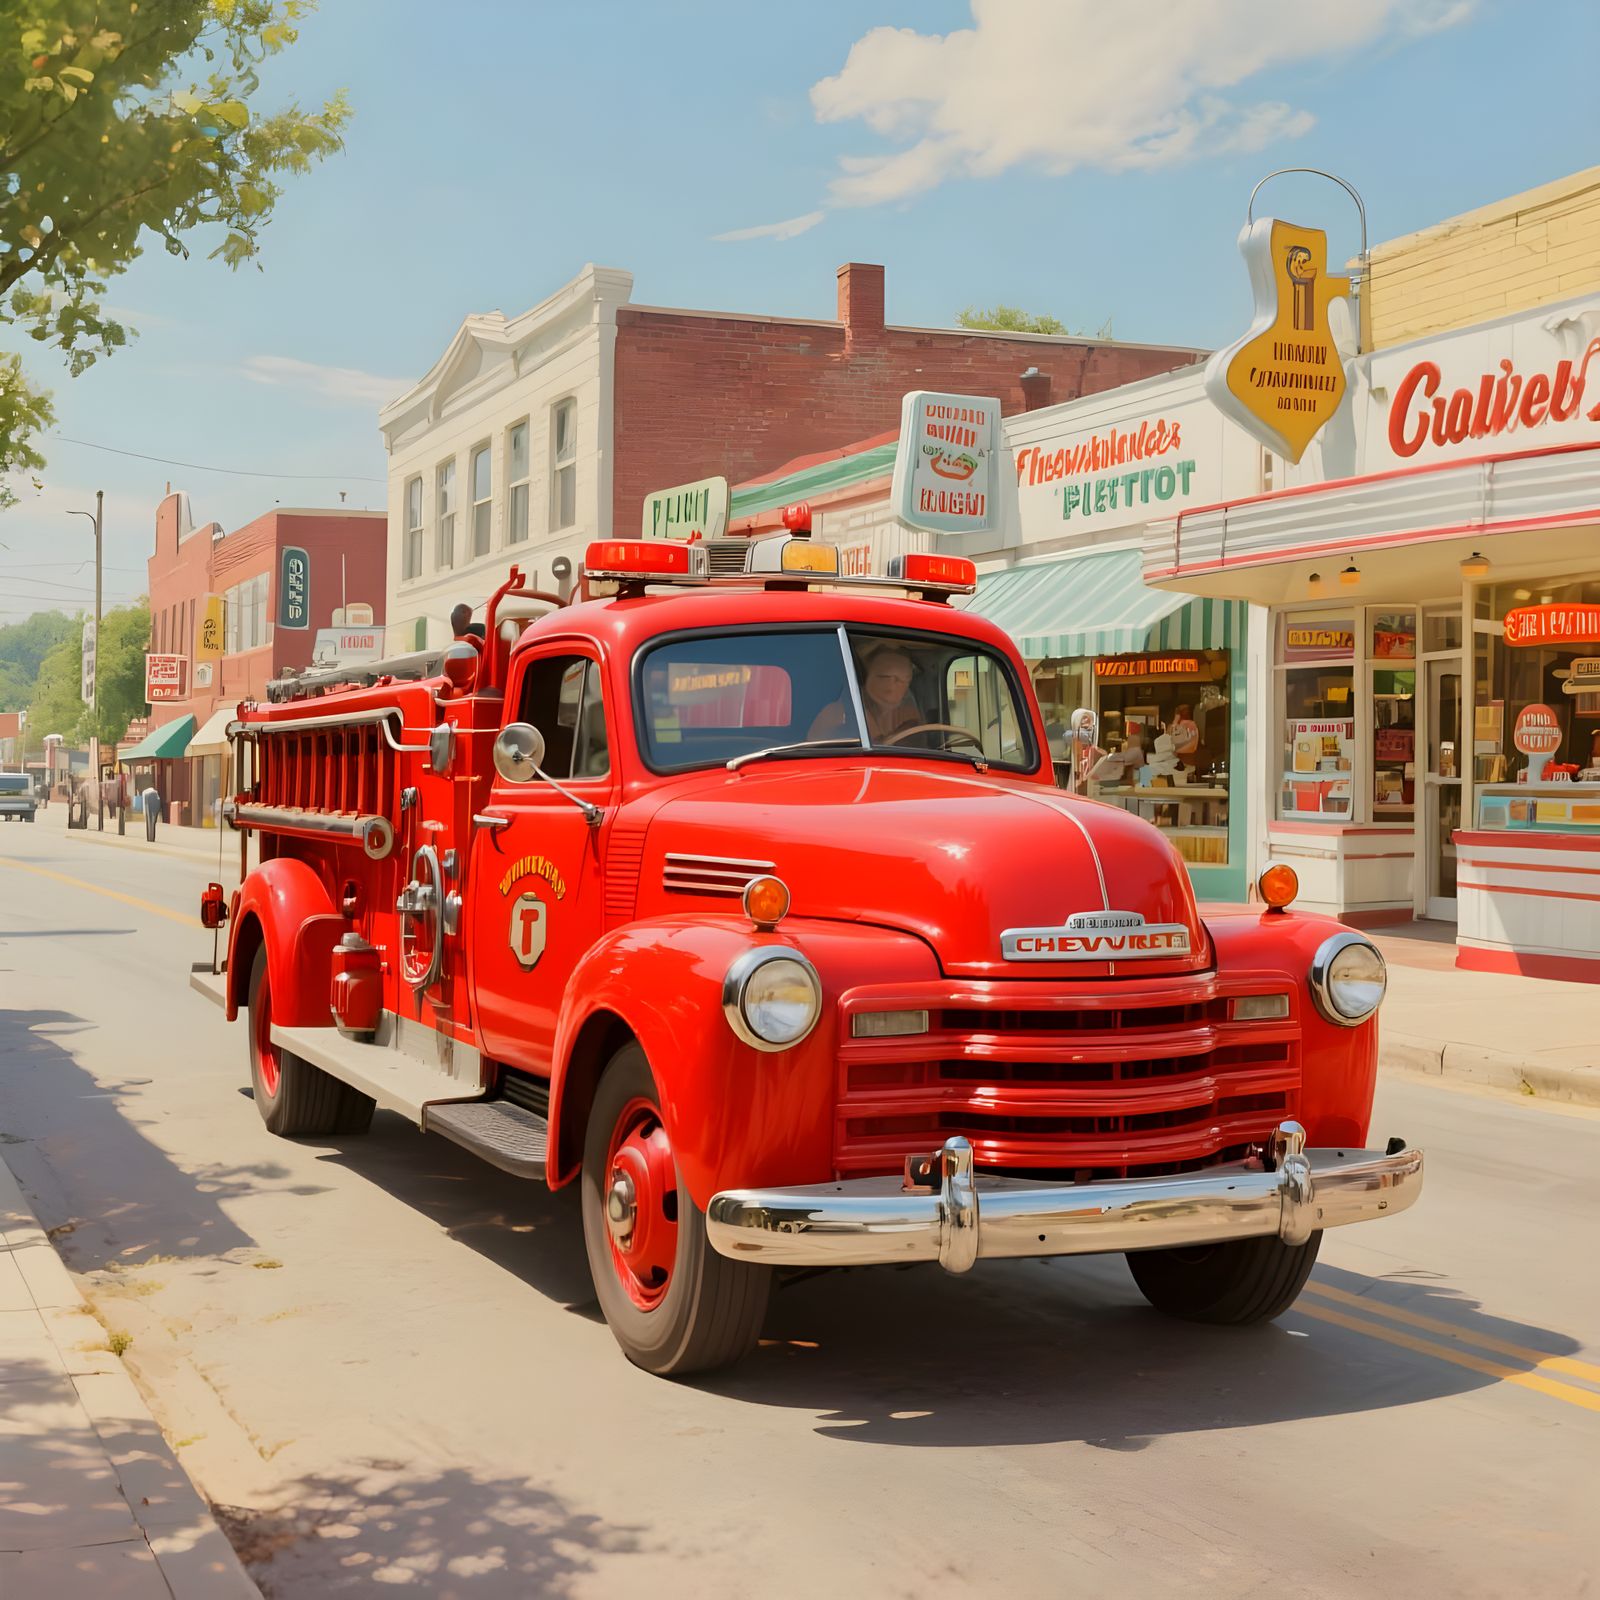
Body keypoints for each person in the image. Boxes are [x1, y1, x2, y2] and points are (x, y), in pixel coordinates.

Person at [808, 645, 923, 743]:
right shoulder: (837, 713)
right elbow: (817, 753)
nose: (893, 687)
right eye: (885, 677)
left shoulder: (909, 714)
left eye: (904, 680)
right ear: (865, 679)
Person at [1169, 702, 1201, 770]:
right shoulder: (1189, 724)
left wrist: (1175, 720)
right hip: (1187, 758)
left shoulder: (1188, 725)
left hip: (1187, 758)